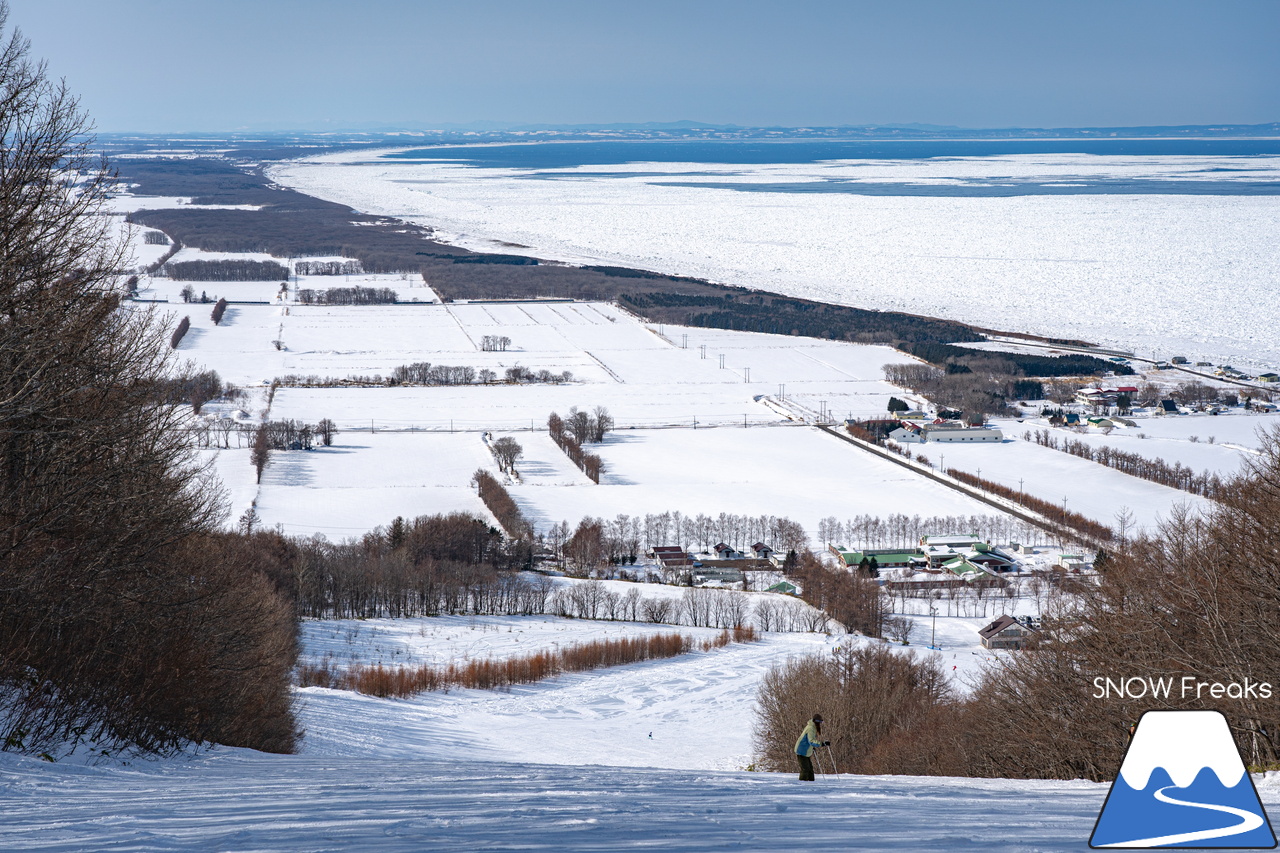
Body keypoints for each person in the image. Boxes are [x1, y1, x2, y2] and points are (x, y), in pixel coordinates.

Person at [794, 713, 830, 781]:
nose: (820, 724)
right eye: (819, 722)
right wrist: (822, 744)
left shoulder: (813, 727)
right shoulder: (811, 728)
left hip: (806, 750)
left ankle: (811, 783)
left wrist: (812, 747)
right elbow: (811, 741)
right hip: (801, 750)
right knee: (805, 769)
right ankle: (802, 784)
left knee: (810, 769)